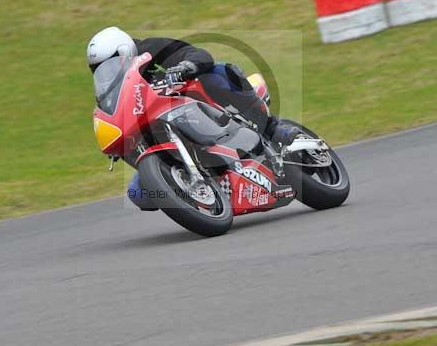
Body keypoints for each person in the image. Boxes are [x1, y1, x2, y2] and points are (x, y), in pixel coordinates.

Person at [87, 26, 301, 209]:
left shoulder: (150, 49)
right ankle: (201, 191)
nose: (107, 71)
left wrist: (185, 68)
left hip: (192, 105)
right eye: (100, 68)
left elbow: (196, 53)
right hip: (161, 134)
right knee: (138, 193)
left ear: (125, 50)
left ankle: (271, 127)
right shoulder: (109, 90)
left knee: (220, 72)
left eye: (112, 62)